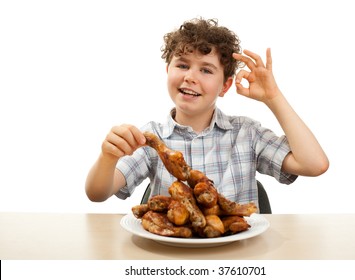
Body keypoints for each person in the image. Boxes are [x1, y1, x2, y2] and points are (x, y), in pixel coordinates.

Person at [85, 18, 329, 209]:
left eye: (206, 70)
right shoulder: (151, 139)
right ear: (167, 70)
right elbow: (97, 193)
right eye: (182, 65)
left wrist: (273, 98)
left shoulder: (246, 134)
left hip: (238, 257)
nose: (190, 76)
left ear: (225, 86)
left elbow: (315, 164)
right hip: (172, 258)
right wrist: (108, 156)